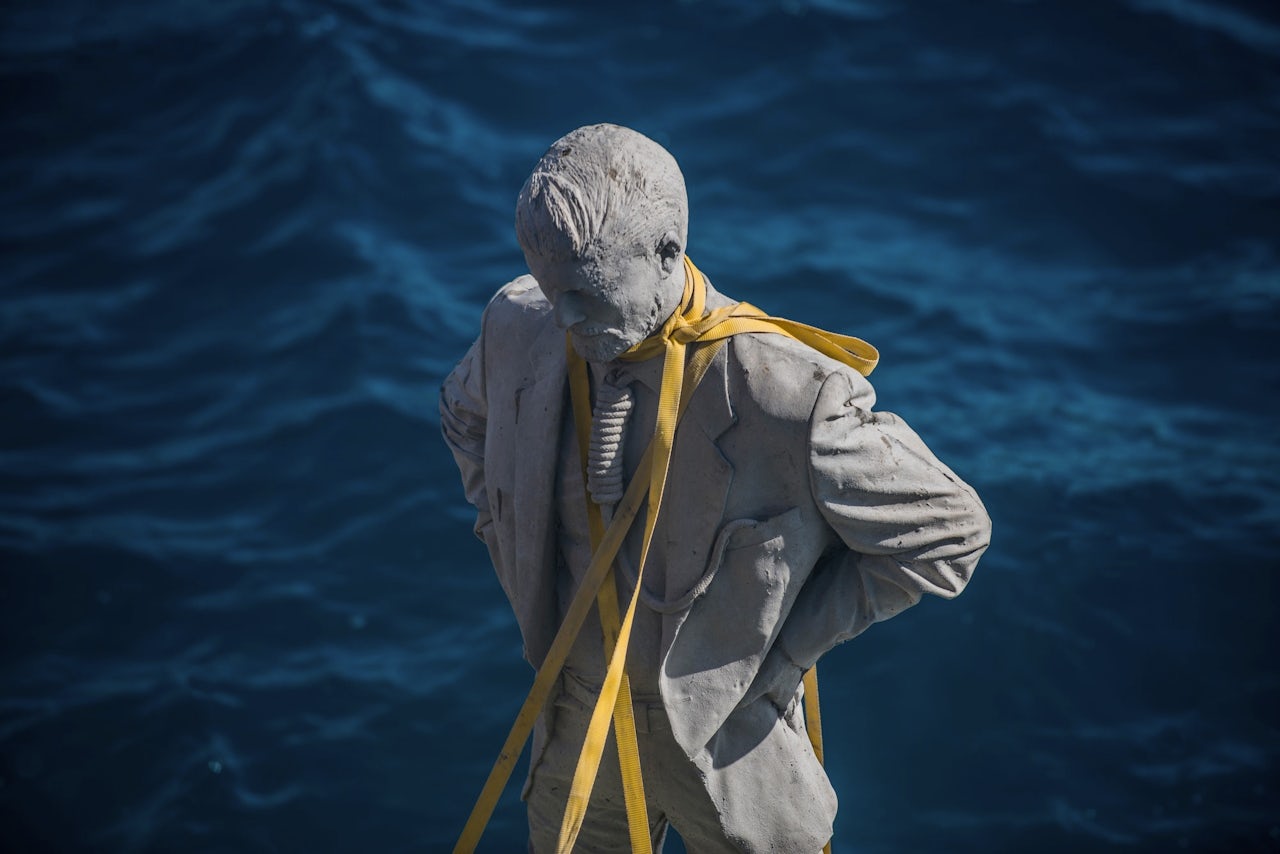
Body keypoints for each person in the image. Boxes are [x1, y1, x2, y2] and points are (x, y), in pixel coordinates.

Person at [439, 123, 991, 853]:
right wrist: (501, 528)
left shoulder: (786, 393)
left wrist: (782, 659)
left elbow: (949, 531)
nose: (565, 318)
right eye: (550, 287)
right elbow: (463, 415)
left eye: (586, 293)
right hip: (576, 716)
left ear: (668, 253)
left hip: (727, 743)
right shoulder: (518, 324)